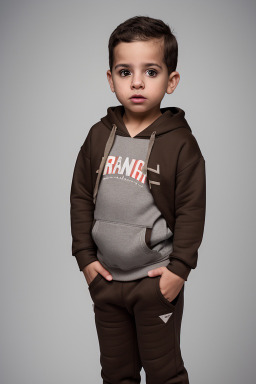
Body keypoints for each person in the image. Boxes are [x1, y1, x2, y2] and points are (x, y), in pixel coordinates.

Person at [70, 15, 206, 384]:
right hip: (107, 281)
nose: (138, 82)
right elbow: (81, 196)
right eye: (125, 72)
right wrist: (85, 259)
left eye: (151, 71)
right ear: (111, 79)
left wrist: (178, 271)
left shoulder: (180, 144)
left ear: (171, 80)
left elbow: (192, 209)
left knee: (164, 373)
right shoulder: (99, 135)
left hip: (154, 281)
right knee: (116, 374)